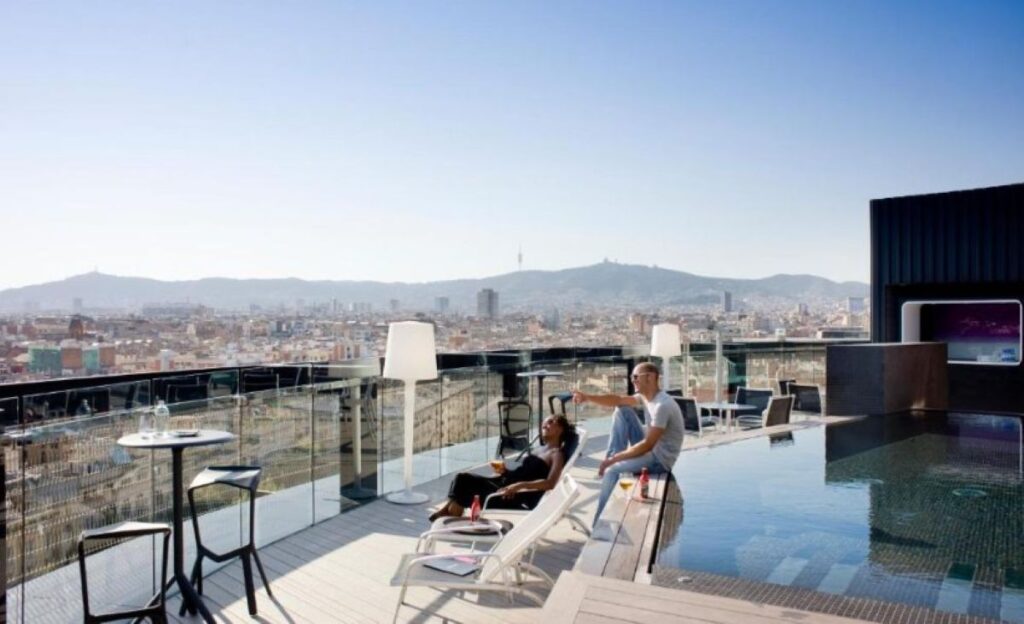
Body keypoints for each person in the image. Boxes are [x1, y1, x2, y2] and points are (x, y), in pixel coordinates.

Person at [572, 361, 684, 526]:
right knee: (621, 409)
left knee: (612, 470)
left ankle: (599, 524)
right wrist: (587, 397)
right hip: (650, 450)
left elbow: (647, 445)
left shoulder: (663, 405)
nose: (632, 380)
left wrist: (614, 460)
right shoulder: (646, 398)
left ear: (651, 378)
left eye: (636, 377)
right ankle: (611, 460)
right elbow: (617, 399)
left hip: (660, 460)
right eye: (632, 377)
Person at [429, 414, 576, 521]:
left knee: (464, 484)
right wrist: (505, 471)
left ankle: (452, 516)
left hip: (513, 495)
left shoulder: (557, 454)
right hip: (505, 484)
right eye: (544, 422)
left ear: (560, 429)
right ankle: (451, 514)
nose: (545, 424)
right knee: (463, 477)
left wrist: (518, 486)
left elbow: (550, 483)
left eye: (550, 422)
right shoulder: (540, 449)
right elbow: (523, 473)